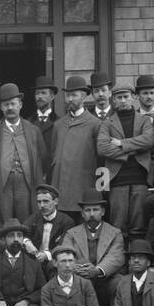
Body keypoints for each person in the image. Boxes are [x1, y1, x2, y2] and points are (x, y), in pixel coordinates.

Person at [0, 82, 44, 222]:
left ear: (20, 105)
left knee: (27, 220)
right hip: (2, 184)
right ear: (1, 107)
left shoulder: (33, 131)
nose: (10, 108)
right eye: (6, 105)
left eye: (13, 103)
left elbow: (43, 157)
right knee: (3, 220)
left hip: (25, 183)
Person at [97, 82, 154, 237]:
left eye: (126, 97)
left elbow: (148, 141)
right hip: (117, 179)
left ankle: (137, 257)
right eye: (119, 97)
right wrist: (130, 151)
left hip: (141, 178)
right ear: (113, 100)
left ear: (133, 98)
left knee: (139, 224)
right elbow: (102, 148)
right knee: (118, 225)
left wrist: (122, 144)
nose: (123, 100)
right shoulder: (107, 123)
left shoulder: (144, 121)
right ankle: (119, 259)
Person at [64, 188, 127, 306]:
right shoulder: (71, 234)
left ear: (103, 212)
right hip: (81, 280)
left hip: (105, 281)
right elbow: (65, 256)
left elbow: (116, 257)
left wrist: (97, 270)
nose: (91, 214)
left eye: (95, 210)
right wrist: (79, 269)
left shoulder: (115, 233)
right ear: (82, 213)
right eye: (87, 210)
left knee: (120, 282)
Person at [49, 75, 100, 221]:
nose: (70, 99)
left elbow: (100, 159)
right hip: (61, 189)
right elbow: (54, 155)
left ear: (83, 97)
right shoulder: (59, 125)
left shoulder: (94, 124)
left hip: (82, 187)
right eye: (68, 95)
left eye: (74, 95)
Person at [20, 184, 75, 274]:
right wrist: (26, 241)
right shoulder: (33, 218)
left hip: (55, 259)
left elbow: (64, 246)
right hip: (35, 260)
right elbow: (22, 231)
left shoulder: (67, 222)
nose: (42, 205)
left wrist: (47, 255)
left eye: (46, 201)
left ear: (56, 201)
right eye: (39, 202)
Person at [26, 74, 62, 179]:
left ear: (52, 96)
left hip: (53, 175)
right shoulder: (27, 123)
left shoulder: (59, 123)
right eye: (37, 93)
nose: (39, 96)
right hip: (32, 175)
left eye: (43, 93)